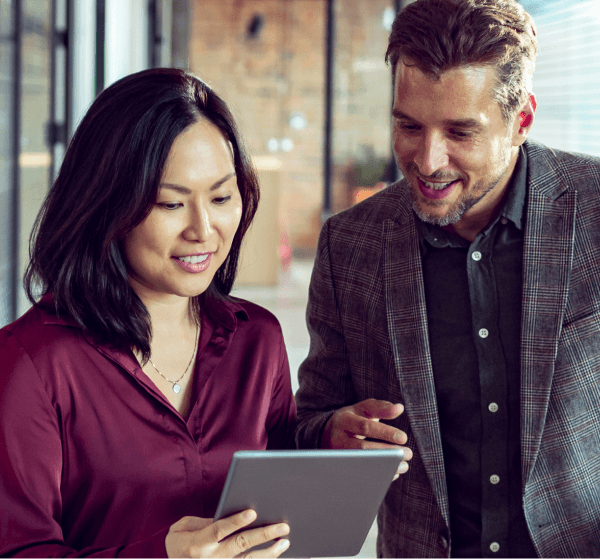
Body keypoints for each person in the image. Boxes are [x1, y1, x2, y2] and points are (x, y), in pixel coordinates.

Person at [295, 0, 600, 558]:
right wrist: (334, 431)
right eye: (408, 126)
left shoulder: (595, 208)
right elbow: (311, 417)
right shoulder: (350, 246)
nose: (428, 160)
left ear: (521, 120)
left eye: (460, 131)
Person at [0, 68, 296, 558]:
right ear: (107, 206)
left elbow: (284, 507)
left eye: (221, 197)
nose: (203, 229)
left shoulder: (257, 339)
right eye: (170, 203)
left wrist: (336, 441)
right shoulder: (30, 365)